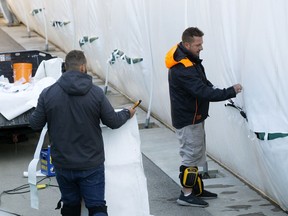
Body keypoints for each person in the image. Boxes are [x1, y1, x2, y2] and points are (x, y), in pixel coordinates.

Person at [29, 50, 136, 216]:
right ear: (83, 67)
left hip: (63, 163)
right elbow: (113, 121)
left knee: (70, 205)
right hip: (91, 163)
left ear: (65, 67)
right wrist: (127, 113)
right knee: (97, 206)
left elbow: (35, 124)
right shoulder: (96, 93)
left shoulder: (48, 94)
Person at [165, 27, 242, 207]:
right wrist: (230, 91)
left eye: (201, 43)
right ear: (186, 44)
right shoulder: (182, 68)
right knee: (190, 156)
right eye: (198, 44)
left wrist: (215, 88)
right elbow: (201, 91)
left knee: (197, 153)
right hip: (187, 119)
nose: (201, 48)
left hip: (194, 116)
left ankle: (196, 189)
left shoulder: (190, 60)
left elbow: (203, 82)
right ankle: (186, 194)